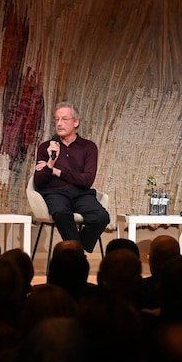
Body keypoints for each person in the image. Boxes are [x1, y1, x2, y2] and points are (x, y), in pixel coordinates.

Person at [33, 101, 110, 254]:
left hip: (81, 193)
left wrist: (57, 171)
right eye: (57, 120)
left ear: (76, 122)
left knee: (101, 217)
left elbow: (87, 180)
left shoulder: (88, 147)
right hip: (55, 193)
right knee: (61, 213)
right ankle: (77, 255)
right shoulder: (46, 147)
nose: (59, 124)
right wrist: (51, 162)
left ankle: (76, 250)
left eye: (64, 119)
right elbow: (39, 183)